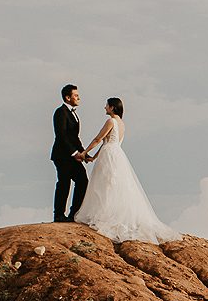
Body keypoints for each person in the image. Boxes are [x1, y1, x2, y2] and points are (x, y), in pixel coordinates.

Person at [73, 97, 180, 244]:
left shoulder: (111, 121)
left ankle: (105, 216)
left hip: (109, 155)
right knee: (113, 185)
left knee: (104, 185)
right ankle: (111, 214)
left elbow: (99, 139)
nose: (105, 108)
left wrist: (84, 153)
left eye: (107, 106)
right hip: (116, 153)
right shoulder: (122, 124)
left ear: (112, 107)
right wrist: (94, 157)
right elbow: (109, 142)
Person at [50, 84, 88, 222]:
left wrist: (84, 153)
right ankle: (59, 215)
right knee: (64, 183)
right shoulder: (60, 112)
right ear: (67, 97)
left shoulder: (74, 114)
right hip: (62, 155)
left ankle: (74, 214)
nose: (78, 97)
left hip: (72, 156)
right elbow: (61, 136)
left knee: (83, 180)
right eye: (76, 95)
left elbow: (74, 137)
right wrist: (74, 153)